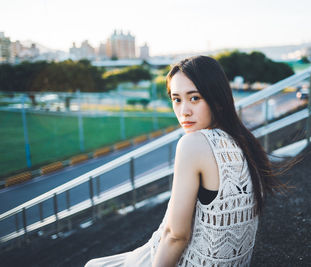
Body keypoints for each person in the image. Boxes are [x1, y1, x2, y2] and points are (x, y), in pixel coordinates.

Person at [85, 56, 284, 267]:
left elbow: (175, 235)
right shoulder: (242, 141)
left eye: (195, 98)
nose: (184, 111)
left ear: (217, 99)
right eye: (177, 99)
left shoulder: (194, 143)